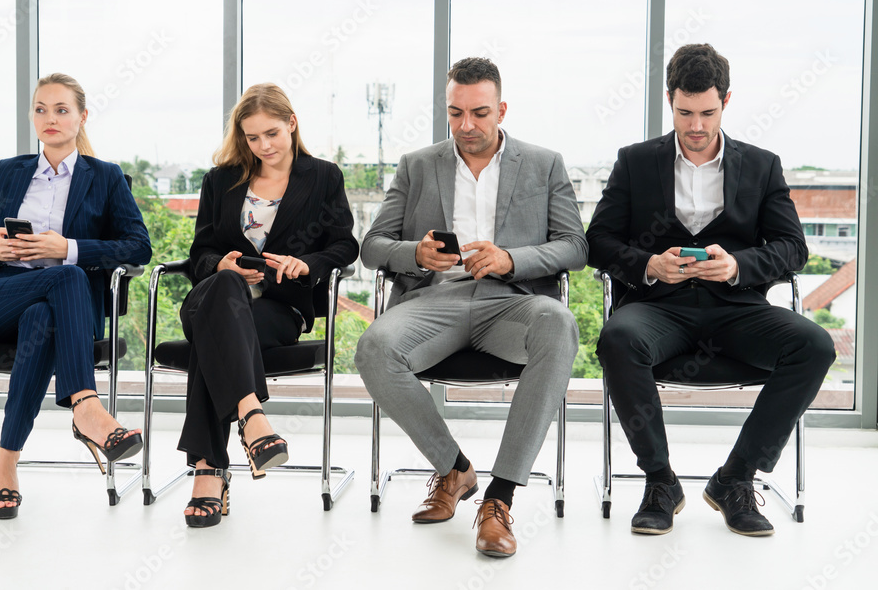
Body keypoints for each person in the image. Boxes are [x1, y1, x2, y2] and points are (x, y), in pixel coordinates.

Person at [586, 43, 836, 537]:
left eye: (707, 112)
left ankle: (736, 478)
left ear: (726, 101)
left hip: (737, 309)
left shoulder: (762, 166)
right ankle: (660, 481)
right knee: (618, 337)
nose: (695, 126)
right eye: (684, 113)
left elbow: (793, 248)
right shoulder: (635, 162)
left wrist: (738, 265)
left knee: (815, 346)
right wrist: (650, 264)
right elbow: (597, 241)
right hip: (659, 309)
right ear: (669, 100)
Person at [355, 57, 586, 557]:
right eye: (455, 113)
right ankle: (454, 469)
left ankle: (498, 500)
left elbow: (575, 246)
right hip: (435, 299)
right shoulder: (417, 165)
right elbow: (372, 245)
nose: (466, 126)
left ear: (501, 109)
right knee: (374, 347)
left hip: (512, 303)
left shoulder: (545, 164)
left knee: (559, 323)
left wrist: (511, 259)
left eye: (479, 113)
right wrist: (414, 252)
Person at [0, 73, 152, 519]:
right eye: (41, 109)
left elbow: (139, 247)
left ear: (82, 117)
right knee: (68, 278)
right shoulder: (7, 172)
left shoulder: (106, 177)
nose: (50, 118)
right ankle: (87, 408)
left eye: (61, 110)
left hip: (63, 313)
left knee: (48, 308)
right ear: (31, 116)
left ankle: (6, 462)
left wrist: (68, 249)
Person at [178, 83, 358, 528]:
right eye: (252, 138)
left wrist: (305, 264)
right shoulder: (220, 180)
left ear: (292, 124)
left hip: (278, 308)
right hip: (212, 297)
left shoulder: (322, 177)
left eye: (272, 134)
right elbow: (198, 253)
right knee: (223, 289)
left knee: (214, 339)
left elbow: (344, 246)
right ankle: (252, 416)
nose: (264, 146)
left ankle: (208, 471)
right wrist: (221, 263)